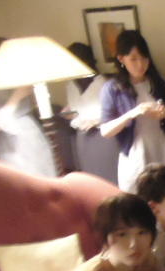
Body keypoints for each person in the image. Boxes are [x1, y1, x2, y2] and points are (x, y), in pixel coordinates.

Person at [100, 30, 165, 192]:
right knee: (137, 198)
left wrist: (164, 112)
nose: (140, 64)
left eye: (144, 58)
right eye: (133, 59)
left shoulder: (157, 83)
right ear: (121, 59)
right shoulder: (112, 88)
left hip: (160, 146)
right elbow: (105, 131)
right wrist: (134, 112)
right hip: (134, 153)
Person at [0, 37, 56, 177]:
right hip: (9, 142)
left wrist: (38, 92)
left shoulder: (23, 75)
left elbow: (41, 106)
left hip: (30, 131)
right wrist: (16, 97)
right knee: (20, 177)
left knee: (43, 172)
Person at [64, 42, 119, 184]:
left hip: (103, 137)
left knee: (110, 177)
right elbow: (76, 109)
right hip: (83, 138)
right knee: (92, 179)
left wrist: (97, 120)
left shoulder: (104, 83)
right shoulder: (71, 85)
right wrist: (71, 114)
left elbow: (119, 112)